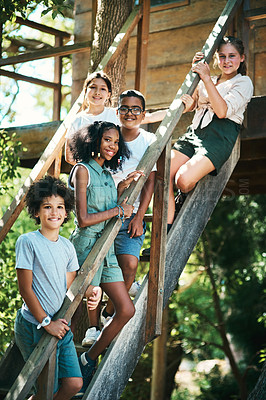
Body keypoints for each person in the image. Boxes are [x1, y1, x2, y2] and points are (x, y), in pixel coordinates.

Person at [68, 121, 142, 396]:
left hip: (107, 247)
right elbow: (84, 218)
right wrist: (119, 211)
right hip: (87, 247)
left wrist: (122, 185)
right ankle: (63, 370)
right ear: (94, 140)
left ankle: (87, 360)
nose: (112, 145)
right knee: (74, 313)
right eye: (107, 140)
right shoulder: (82, 170)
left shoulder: (107, 174)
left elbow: (110, 207)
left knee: (126, 310)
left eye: (115, 141)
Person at [14, 175, 101, 400]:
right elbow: (25, 290)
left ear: (66, 211)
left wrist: (92, 292)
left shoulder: (67, 247)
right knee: (45, 390)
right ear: (36, 211)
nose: (55, 212)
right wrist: (46, 323)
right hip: (35, 325)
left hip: (59, 324)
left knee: (73, 384)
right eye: (47, 207)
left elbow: (72, 286)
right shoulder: (27, 241)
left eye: (60, 207)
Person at [168, 36, 254, 227]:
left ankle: (182, 196)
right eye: (222, 56)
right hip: (195, 131)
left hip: (219, 135)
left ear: (242, 58)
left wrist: (205, 78)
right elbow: (194, 103)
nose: (226, 61)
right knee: (162, 173)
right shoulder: (211, 79)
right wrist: (195, 77)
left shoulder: (243, 82)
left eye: (232, 56)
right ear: (216, 58)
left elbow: (222, 111)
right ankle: (165, 228)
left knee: (182, 180)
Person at [99, 89, 157, 326]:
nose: (129, 113)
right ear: (117, 112)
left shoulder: (148, 141)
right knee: (103, 267)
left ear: (143, 114)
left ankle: (109, 312)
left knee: (130, 264)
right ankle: (97, 322)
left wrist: (138, 216)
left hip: (130, 215)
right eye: (124, 108)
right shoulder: (111, 138)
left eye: (135, 109)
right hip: (105, 211)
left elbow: (151, 181)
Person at [65, 71, 167, 165]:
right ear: (85, 91)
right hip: (87, 174)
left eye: (103, 89)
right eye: (93, 87)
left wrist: (179, 107)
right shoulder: (77, 120)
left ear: (109, 95)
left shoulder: (116, 114)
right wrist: (89, 170)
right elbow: (69, 156)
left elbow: (150, 117)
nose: (97, 92)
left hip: (114, 170)